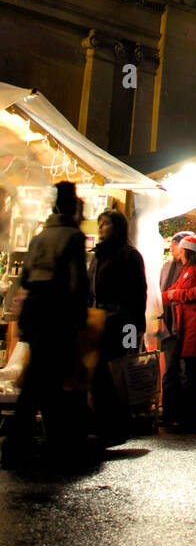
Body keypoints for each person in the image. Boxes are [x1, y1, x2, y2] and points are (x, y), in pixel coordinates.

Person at [1, 181, 89, 468]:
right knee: (45, 379)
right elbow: (77, 281)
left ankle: (33, 441)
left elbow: (24, 277)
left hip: (36, 312)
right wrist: (79, 317)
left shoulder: (41, 236)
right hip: (57, 314)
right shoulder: (72, 237)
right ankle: (33, 442)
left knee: (42, 377)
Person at [87, 208, 148, 447]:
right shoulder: (98, 256)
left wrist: (133, 336)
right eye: (100, 224)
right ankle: (104, 424)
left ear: (118, 227)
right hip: (97, 322)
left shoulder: (129, 256)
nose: (101, 228)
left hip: (120, 323)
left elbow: (137, 296)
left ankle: (117, 425)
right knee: (98, 374)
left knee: (118, 373)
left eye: (106, 224)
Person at [160, 234, 196, 434]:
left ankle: (192, 419)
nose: (179, 254)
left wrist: (178, 296)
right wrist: (158, 300)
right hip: (185, 326)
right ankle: (184, 418)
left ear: (189, 251)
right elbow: (171, 292)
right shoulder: (186, 270)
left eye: (182, 250)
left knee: (192, 373)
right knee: (187, 372)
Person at [158, 231, 193, 428]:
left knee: (184, 369)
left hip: (186, 325)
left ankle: (183, 414)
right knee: (171, 369)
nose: (171, 248)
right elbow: (161, 293)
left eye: (174, 244)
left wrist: (174, 295)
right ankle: (169, 412)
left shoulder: (192, 268)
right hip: (168, 324)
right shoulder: (166, 267)